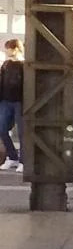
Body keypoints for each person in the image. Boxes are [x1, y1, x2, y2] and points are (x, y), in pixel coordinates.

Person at [0, 38, 21, 172]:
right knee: (1, 129)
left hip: (19, 102)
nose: (6, 50)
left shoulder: (24, 65)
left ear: (15, 49)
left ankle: (22, 160)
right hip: (6, 101)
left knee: (23, 132)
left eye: (8, 48)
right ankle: (12, 157)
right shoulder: (6, 65)